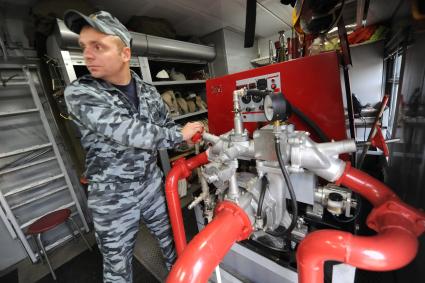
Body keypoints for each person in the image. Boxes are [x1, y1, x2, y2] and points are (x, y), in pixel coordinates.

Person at [63, 10, 204, 283]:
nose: (88, 55)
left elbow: (166, 126)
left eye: (98, 46)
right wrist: (179, 136)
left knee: (175, 245)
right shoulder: (81, 93)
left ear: (125, 54)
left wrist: (189, 132)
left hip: (150, 185)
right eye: (83, 47)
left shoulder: (149, 92)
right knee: (117, 270)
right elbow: (127, 131)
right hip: (111, 196)